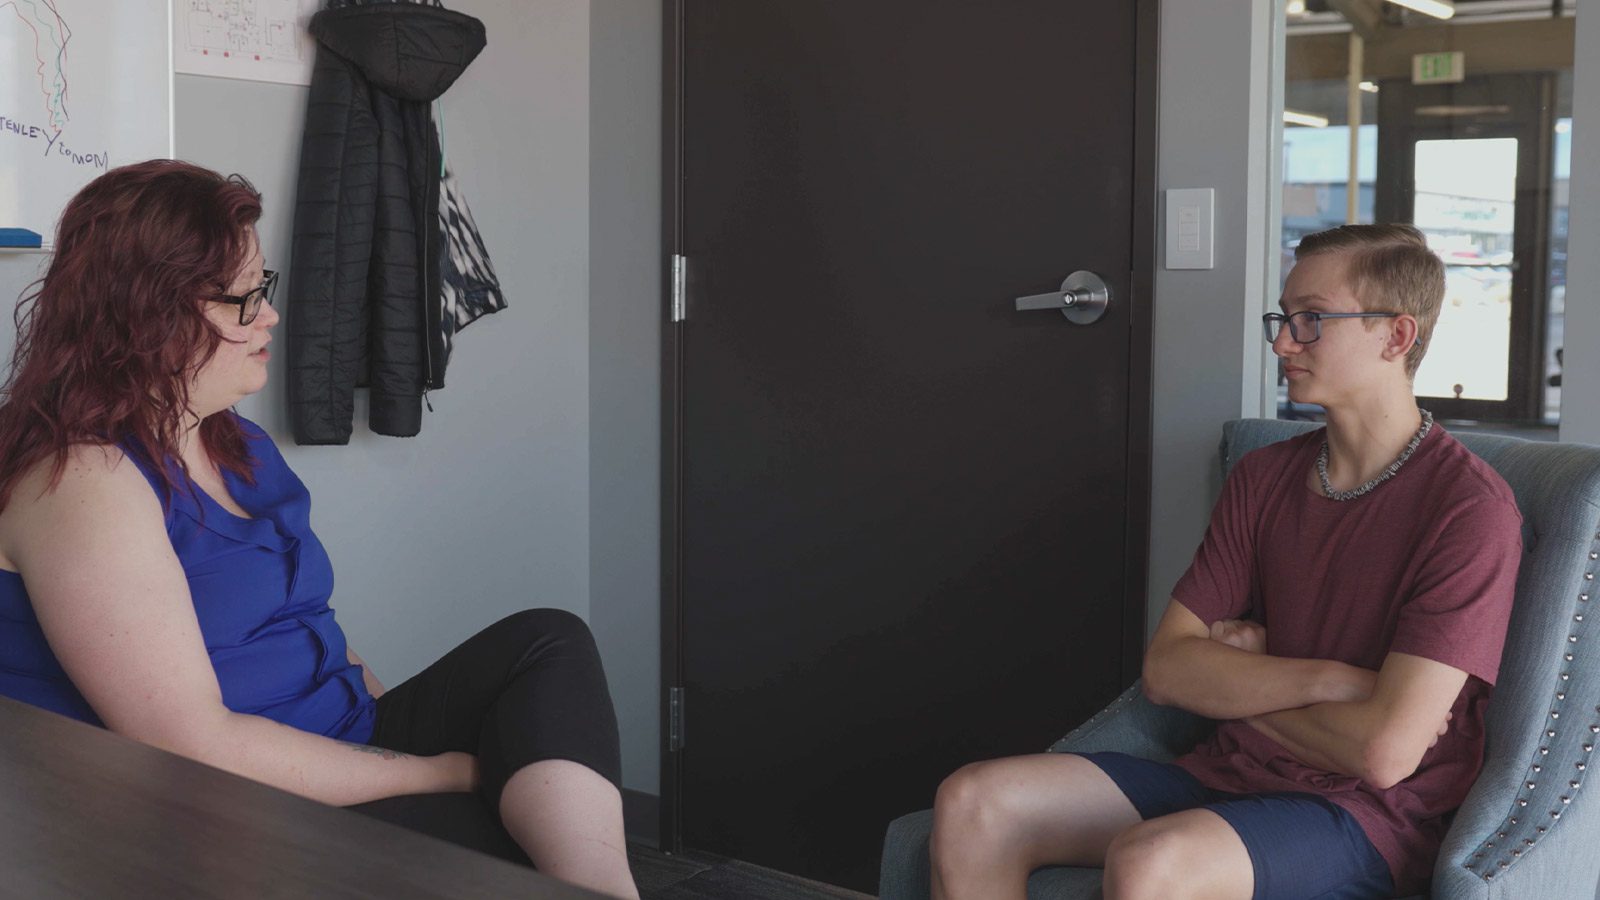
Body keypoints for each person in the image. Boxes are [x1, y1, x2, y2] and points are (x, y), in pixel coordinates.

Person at [0, 160, 640, 899]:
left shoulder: (229, 441)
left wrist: (390, 735)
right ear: (150, 314)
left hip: (331, 741)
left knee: (547, 643)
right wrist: (445, 772)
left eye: (261, 290)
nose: (268, 316)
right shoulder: (82, 480)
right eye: (244, 300)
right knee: (514, 826)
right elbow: (188, 746)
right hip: (214, 808)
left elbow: (307, 620)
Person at [927, 224, 1522, 899]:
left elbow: (1384, 754)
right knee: (975, 803)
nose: (1281, 341)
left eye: (1312, 320)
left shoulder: (1469, 510)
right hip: (1226, 775)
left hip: (1362, 817)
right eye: (1283, 316)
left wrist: (1243, 684)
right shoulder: (1264, 476)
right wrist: (1337, 680)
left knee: (1154, 861)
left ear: (1395, 336)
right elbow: (1168, 669)